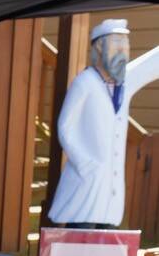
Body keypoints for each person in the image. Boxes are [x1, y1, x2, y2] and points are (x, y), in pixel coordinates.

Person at [48, 17, 159, 228]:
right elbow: (65, 127)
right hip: (85, 189)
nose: (123, 51)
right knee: (80, 242)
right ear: (99, 47)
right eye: (117, 44)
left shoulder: (124, 83)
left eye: (126, 45)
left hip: (110, 194)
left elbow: (152, 64)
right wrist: (85, 163)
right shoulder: (85, 83)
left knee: (106, 247)